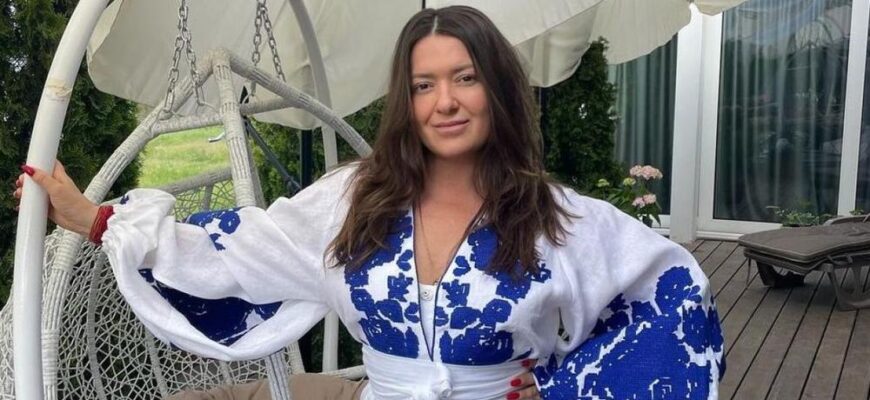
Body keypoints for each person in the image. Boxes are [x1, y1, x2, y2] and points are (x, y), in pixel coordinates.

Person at [14, 6, 724, 400]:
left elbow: (671, 297)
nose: (444, 102)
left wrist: (570, 389)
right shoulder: (353, 201)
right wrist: (94, 219)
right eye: (423, 85)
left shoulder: (556, 218)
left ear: (499, 90)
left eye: (465, 78)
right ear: (405, 101)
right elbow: (238, 248)